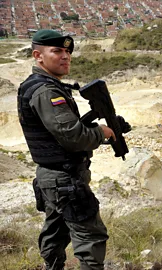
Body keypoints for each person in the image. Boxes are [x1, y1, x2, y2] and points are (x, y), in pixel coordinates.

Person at [17, 29, 124, 269]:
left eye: (67, 51)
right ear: (38, 56)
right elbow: (72, 136)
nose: (65, 56)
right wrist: (101, 132)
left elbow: (63, 129)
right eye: (57, 51)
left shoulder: (45, 86)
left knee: (57, 230)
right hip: (64, 179)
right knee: (90, 236)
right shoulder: (46, 91)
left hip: (55, 177)